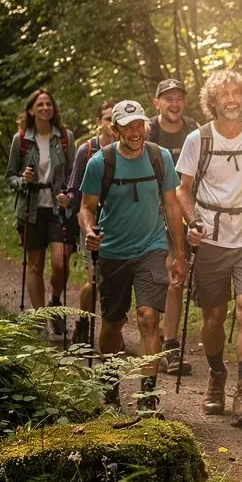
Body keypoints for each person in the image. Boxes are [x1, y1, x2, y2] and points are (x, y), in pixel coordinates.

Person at [176, 71, 242, 428]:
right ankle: (217, 376)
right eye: (223, 94)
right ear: (212, 101)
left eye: (236, 93)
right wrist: (192, 223)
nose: (231, 99)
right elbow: (182, 190)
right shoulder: (198, 139)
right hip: (212, 236)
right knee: (214, 317)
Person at [79, 99, 185, 414]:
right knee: (113, 323)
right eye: (127, 127)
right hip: (113, 251)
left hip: (151, 248)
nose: (135, 132)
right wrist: (88, 231)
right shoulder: (100, 162)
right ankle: (110, 390)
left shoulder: (159, 157)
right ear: (116, 129)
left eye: (139, 124)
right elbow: (86, 207)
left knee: (149, 318)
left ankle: (146, 398)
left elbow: (172, 205)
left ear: (145, 125)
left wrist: (178, 253)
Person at [6, 89, 75, 331]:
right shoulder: (21, 139)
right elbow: (10, 177)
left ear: (53, 109)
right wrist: (23, 180)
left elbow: (72, 175)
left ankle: (55, 302)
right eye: (40, 104)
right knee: (34, 266)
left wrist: (68, 194)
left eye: (49, 103)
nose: (45, 107)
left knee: (60, 262)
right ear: (31, 110)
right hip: (31, 210)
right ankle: (39, 319)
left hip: (57, 209)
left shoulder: (65, 137)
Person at [149, 78, 198, 375]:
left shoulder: (193, 130)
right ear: (157, 103)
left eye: (179, 98)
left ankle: (169, 345)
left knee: (175, 275)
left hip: (182, 211)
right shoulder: (147, 132)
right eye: (168, 98)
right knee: (160, 275)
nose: (174, 103)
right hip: (150, 212)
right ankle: (153, 336)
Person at [67, 98, 115, 345]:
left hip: (118, 227)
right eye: (108, 118)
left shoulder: (130, 148)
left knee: (114, 284)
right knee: (94, 281)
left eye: (115, 119)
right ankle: (83, 322)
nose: (112, 123)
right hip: (93, 226)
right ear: (99, 122)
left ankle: (111, 329)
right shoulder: (86, 151)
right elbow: (74, 190)